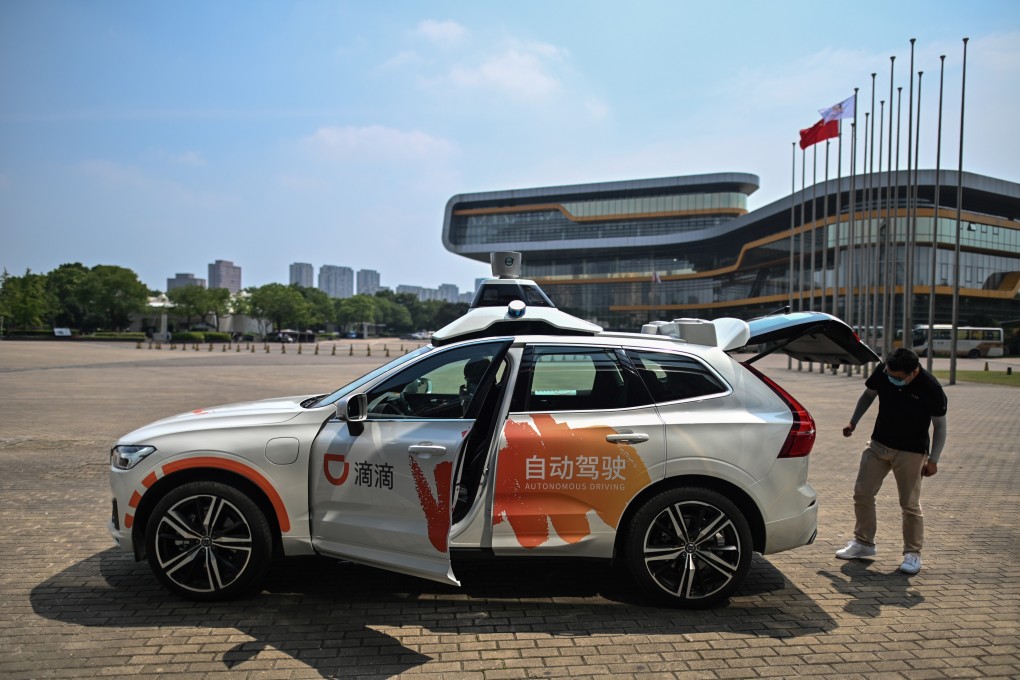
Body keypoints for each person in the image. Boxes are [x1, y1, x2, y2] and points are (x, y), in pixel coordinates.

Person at [836, 347, 948, 574]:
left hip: (911, 451)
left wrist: (933, 460)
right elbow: (868, 395)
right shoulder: (885, 371)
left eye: (897, 378)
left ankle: (913, 554)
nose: (891, 379)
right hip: (879, 444)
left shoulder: (931, 388)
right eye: (888, 374)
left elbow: (940, 426)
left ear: (914, 372)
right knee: (863, 493)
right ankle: (863, 543)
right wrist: (853, 421)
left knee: (909, 504)